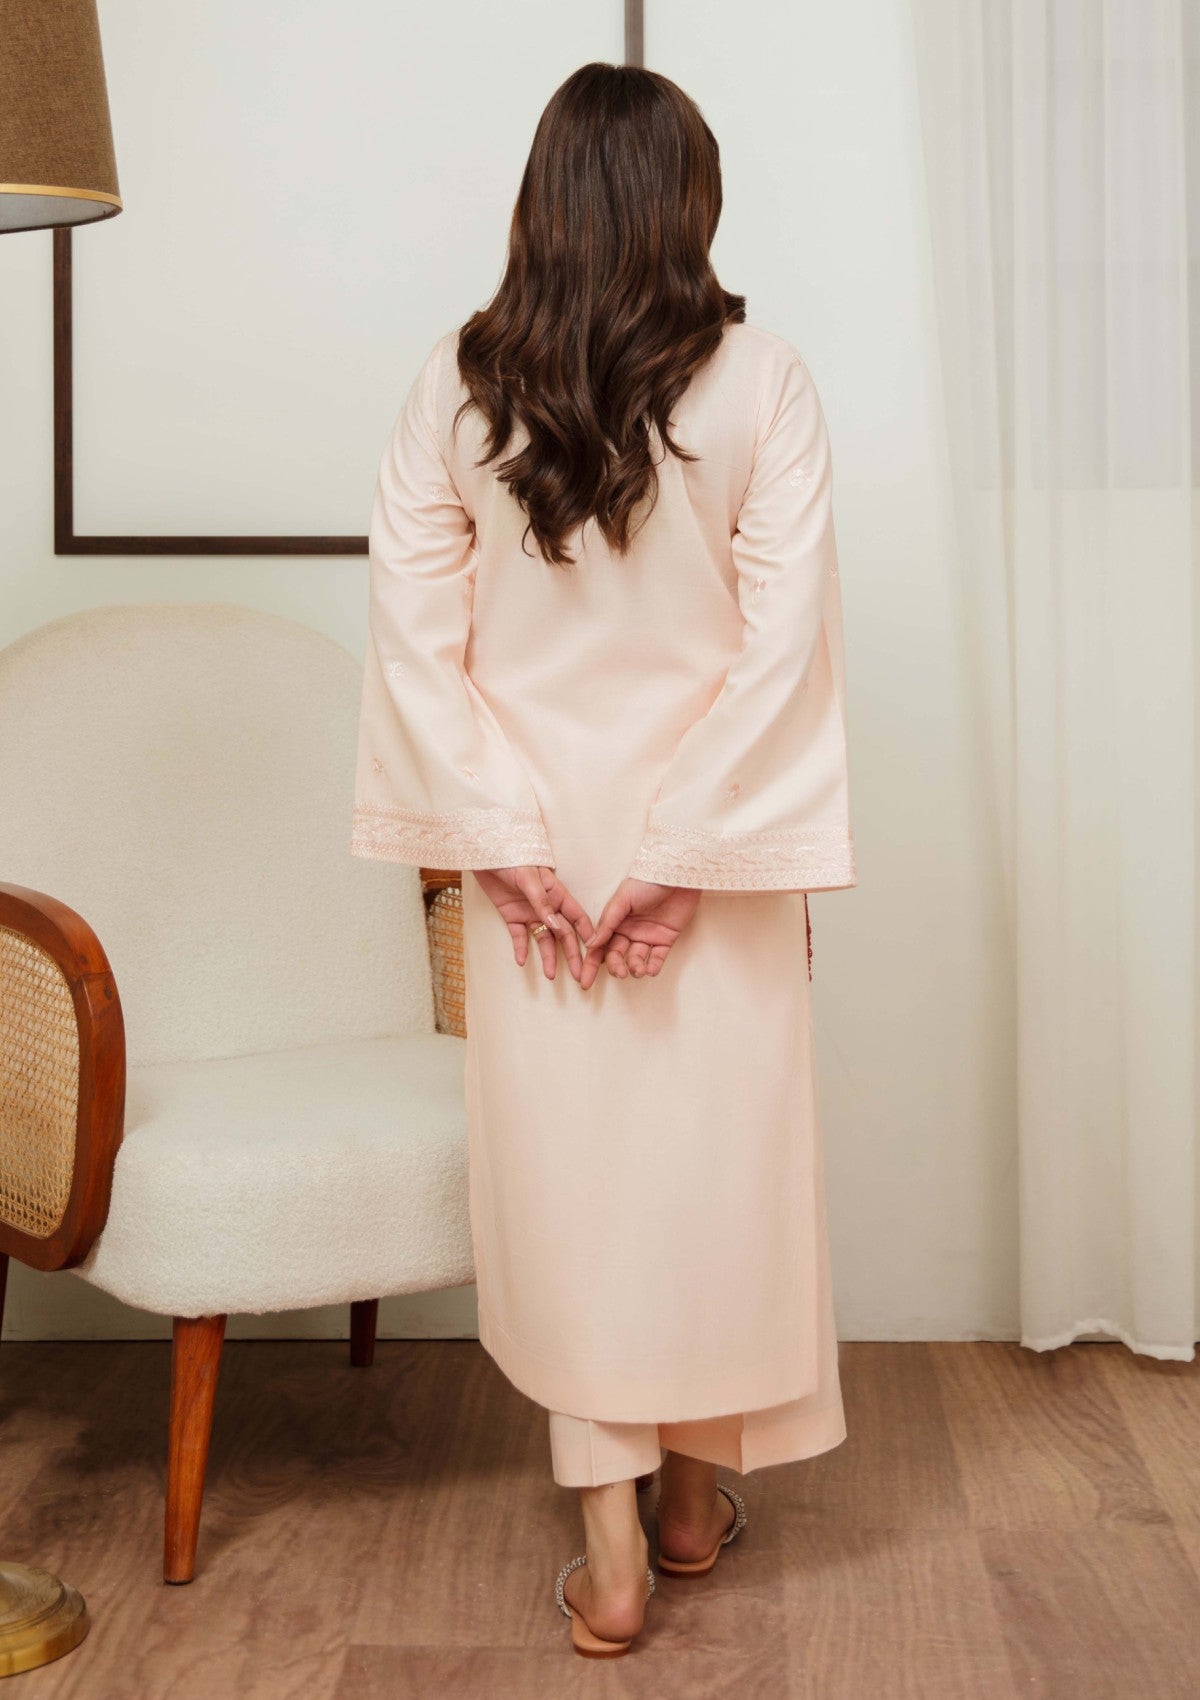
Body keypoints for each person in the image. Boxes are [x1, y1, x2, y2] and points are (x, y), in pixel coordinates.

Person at [351, 60, 857, 1659]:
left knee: (573, 1195)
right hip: (714, 855)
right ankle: (694, 1504)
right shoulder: (764, 380)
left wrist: (503, 847)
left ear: (543, 201)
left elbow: (417, 643)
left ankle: (615, 1557)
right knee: (719, 1177)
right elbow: (782, 646)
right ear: (690, 202)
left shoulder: (457, 387)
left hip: (544, 874)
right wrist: (685, 855)